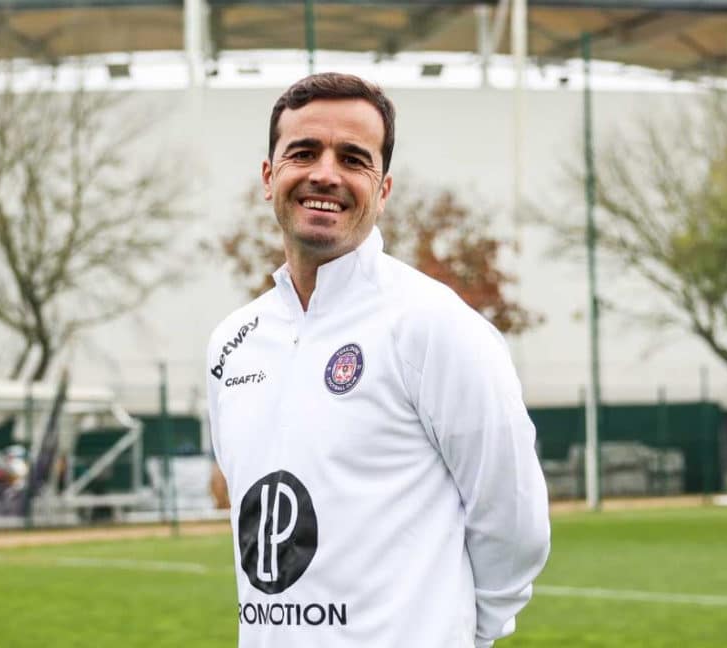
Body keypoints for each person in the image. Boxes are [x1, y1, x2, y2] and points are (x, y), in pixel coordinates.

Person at [206, 72, 550, 648]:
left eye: (353, 158)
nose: (325, 174)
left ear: (383, 189)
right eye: (303, 152)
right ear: (268, 177)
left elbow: (514, 524)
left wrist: (465, 635)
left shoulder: (435, 326)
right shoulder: (232, 343)